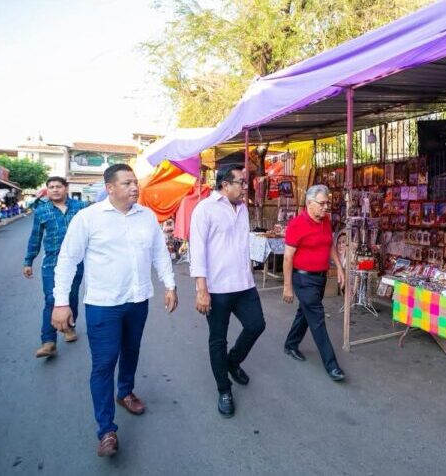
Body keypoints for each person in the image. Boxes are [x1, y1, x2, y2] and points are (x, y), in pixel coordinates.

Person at [51, 164, 177, 457]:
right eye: (127, 183)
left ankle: (126, 392)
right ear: (110, 188)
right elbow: (68, 260)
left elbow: (159, 252)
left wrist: (169, 285)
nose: (135, 188)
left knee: (131, 350)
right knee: (104, 364)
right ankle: (106, 429)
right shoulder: (88, 218)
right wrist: (60, 302)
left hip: (137, 300)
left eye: (135, 182)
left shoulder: (147, 217)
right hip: (102, 304)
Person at [189, 164, 265, 419]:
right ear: (225, 185)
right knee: (217, 339)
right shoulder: (205, 209)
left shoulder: (242, 209)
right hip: (217, 288)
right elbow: (197, 251)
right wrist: (202, 289)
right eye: (241, 182)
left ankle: (233, 361)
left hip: (244, 284)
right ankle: (224, 390)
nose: (245, 186)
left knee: (256, 325)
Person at [282, 184, 346, 382]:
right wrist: (287, 286)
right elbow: (287, 257)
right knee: (317, 319)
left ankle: (291, 344)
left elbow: (330, 245)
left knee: (306, 313)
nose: (326, 207)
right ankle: (332, 365)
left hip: (320, 277)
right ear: (310, 203)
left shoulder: (325, 221)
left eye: (327, 203)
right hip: (303, 279)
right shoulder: (297, 225)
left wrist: (340, 268)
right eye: (322, 203)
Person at [23, 177, 87, 358]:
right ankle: (48, 341)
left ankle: (69, 327)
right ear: (47, 190)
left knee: (71, 295)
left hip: (76, 262)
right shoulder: (41, 211)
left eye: (59, 186)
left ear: (66, 189)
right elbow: (35, 238)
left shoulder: (81, 208)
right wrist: (28, 261)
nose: (55, 190)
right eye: (51, 187)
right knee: (52, 299)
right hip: (52, 262)